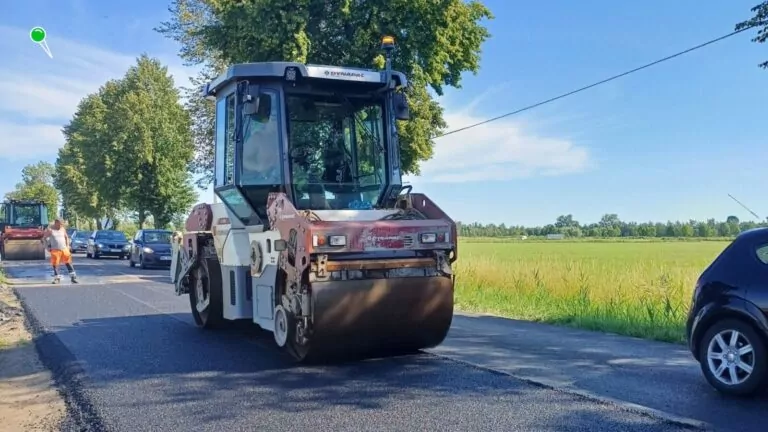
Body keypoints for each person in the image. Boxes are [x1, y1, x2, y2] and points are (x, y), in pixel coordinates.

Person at [44, 219, 78, 284]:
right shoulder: (50, 230)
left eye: (62, 224)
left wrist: (68, 246)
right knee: (55, 264)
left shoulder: (62, 229)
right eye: (60, 224)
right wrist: (47, 247)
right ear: (56, 223)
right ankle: (57, 278)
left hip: (64, 249)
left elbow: (66, 237)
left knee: (69, 263)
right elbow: (44, 238)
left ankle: (73, 278)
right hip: (55, 250)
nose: (61, 226)